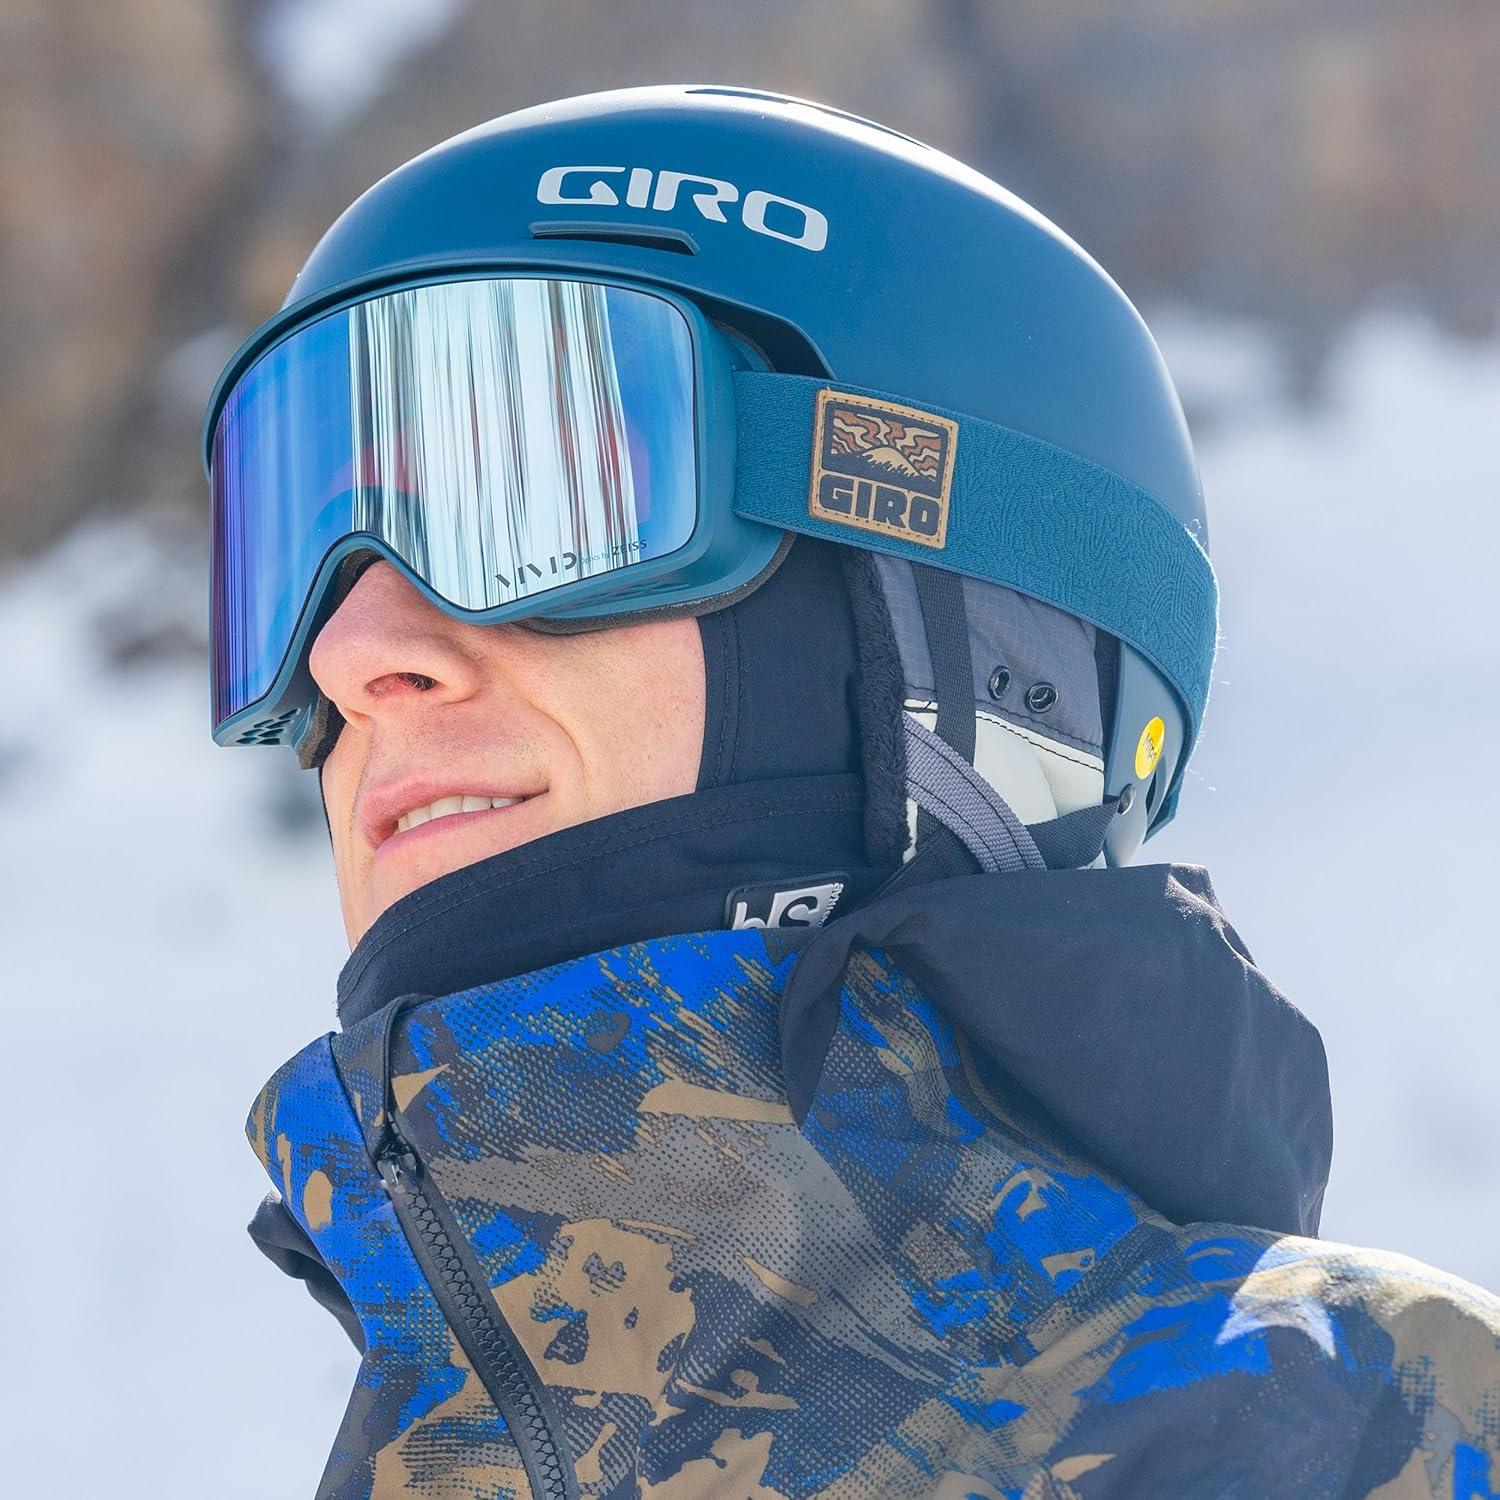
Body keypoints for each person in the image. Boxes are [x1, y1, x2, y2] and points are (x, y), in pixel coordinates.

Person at [210, 87, 1500, 1499]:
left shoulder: (1376, 1432)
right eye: (299, 557)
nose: (350, 652)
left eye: (531, 505)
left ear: (974, 653)